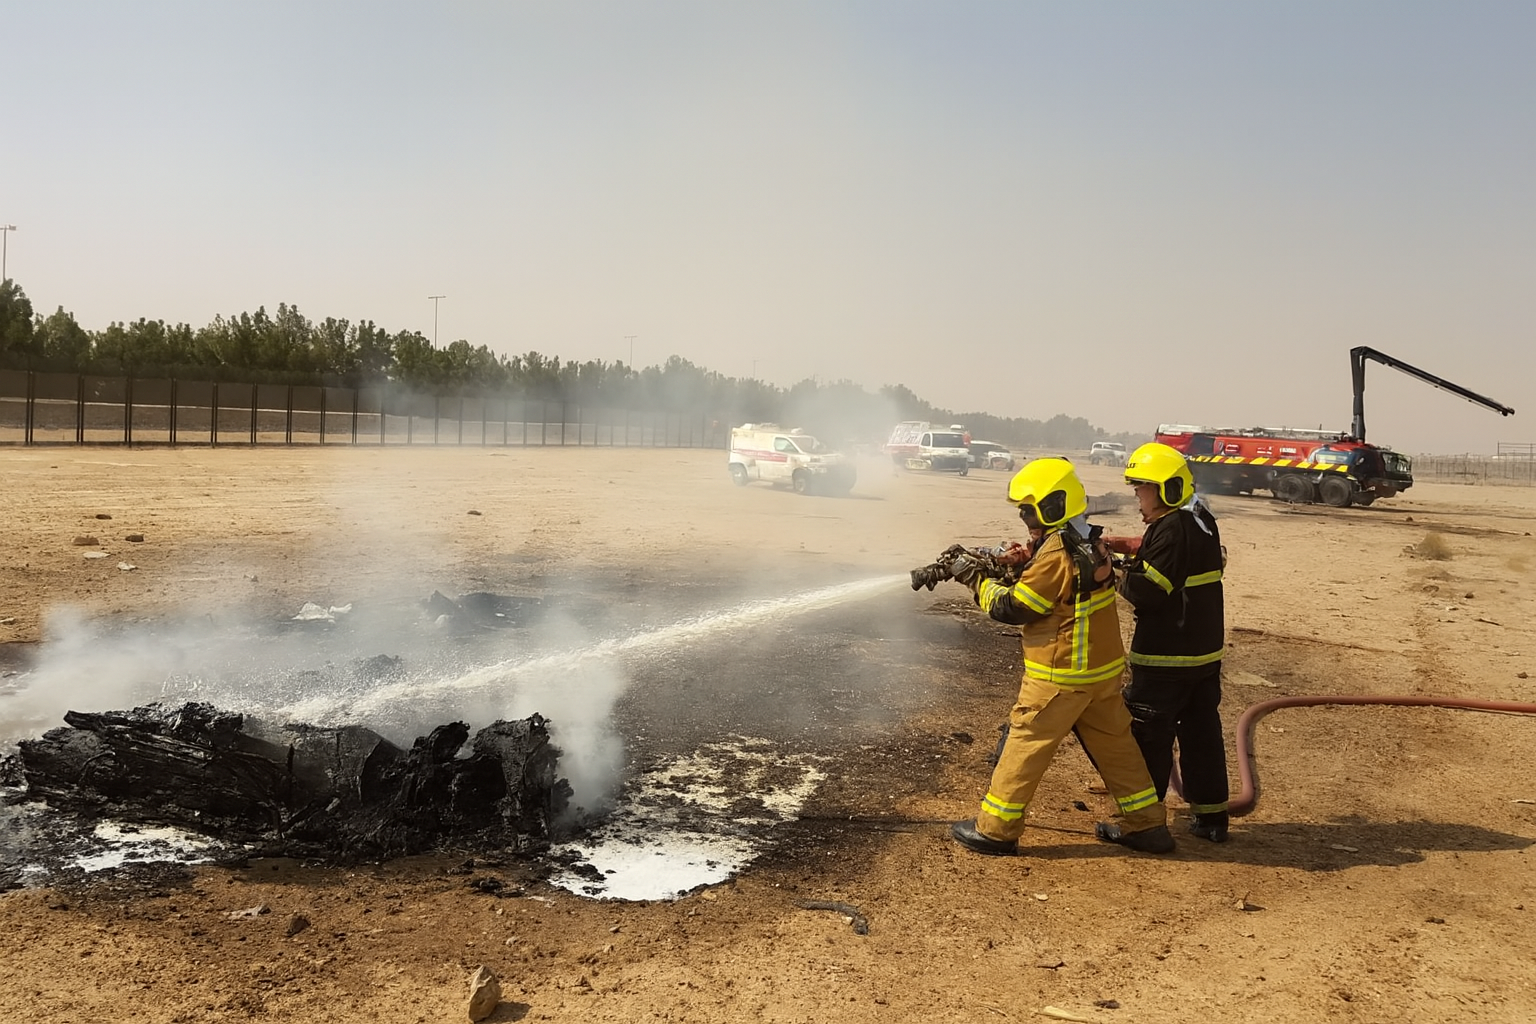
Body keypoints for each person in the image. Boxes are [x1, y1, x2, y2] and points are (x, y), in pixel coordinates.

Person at [947, 457, 1175, 856]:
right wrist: (1020, 561)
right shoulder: (1087, 539)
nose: (1026, 520)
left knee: (1026, 741)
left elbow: (1017, 608)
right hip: (1100, 673)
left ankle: (996, 829)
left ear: (1052, 505)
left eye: (1030, 511)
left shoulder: (1056, 552)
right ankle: (1147, 825)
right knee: (1116, 746)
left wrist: (977, 580)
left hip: (1061, 674)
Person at [1115, 442, 1231, 842]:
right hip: (1203, 655)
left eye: (1142, 489)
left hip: (1166, 658)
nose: (1136, 496)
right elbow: (1172, 555)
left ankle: (1142, 823)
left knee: (1149, 738)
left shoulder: (1169, 529)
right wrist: (1127, 545)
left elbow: (1148, 592)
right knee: (1202, 734)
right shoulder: (1200, 518)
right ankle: (1212, 817)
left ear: (1166, 489)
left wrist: (1108, 573)